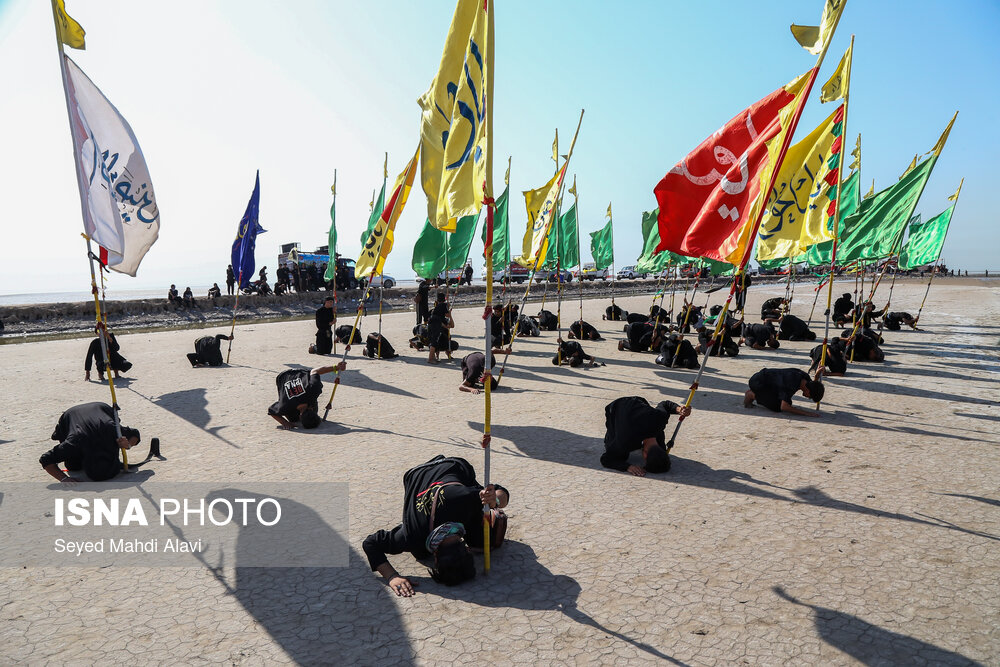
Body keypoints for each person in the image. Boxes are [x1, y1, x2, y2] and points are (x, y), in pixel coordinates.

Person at [362, 455, 509, 594]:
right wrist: (392, 577)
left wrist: (494, 500)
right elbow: (370, 544)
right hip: (428, 471)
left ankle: (490, 513)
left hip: (439, 472)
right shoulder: (412, 536)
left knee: (421, 552)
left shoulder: (415, 534)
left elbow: (370, 543)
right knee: (421, 551)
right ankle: (489, 513)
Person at [40, 402, 139, 483]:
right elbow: (45, 459)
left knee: (74, 466)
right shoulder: (74, 443)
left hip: (101, 409)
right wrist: (64, 478)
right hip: (69, 416)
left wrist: (127, 445)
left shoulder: (112, 430)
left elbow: (135, 434)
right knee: (73, 466)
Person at [601, 396, 691, 476]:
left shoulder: (659, 420)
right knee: (620, 456)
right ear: (644, 454)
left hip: (637, 402)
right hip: (616, 407)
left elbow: (665, 405)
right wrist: (627, 467)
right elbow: (606, 459)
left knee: (655, 429)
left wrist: (679, 409)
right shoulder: (625, 441)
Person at [267, 363, 345, 429]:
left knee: (292, 418)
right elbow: (271, 410)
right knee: (292, 418)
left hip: (294, 379)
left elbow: (315, 371)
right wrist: (285, 423)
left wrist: (336, 367)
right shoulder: (285, 405)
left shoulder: (313, 389)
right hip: (283, 377)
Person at [744, 368, 824, 416]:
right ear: (808, 391)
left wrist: (817, 376)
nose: (807, 397)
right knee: (777, 407)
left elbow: (813, 385)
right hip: (758, 382)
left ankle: (755, 395)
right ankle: (751, 394)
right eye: (810, 397)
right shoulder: (791, 383)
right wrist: (807, 413)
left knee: (787, 402)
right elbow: (784, 407)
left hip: (768, 382)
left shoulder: (805, 378)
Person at [427, 293, 455, 363]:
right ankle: (430, 359)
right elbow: (447, 314)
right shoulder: (443, 305)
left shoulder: (438, 306)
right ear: (444, 299)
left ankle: (433, 357)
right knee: (435, 340)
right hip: (436, 322)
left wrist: (447, 301)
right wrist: (450, 312)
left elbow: (446, 308)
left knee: (435, 340)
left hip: (432, 322)